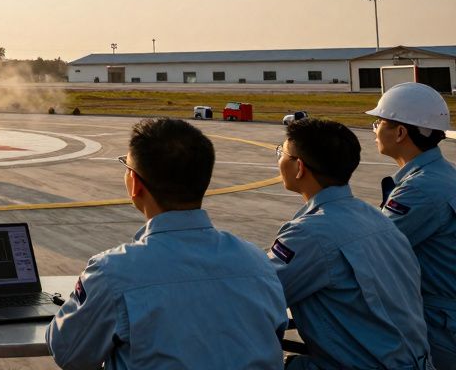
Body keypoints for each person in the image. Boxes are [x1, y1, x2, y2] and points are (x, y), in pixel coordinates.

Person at [46, 117, 286, 369]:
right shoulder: (258, 262)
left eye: (127, 166)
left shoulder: (112, 272)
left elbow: (68, 353)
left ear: (136, 184)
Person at [270, 117, 430, 369]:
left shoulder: (309, 234)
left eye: (282, 152)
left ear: (299, 167)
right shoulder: (376, 218)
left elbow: (258, 292)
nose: (279, 159)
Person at [369, 82, 456, 369]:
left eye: (379, 122)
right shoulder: (442, 175)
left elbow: (371, 250)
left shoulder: (419, 190)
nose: (375, 129)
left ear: (401, 132)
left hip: (441, 323)